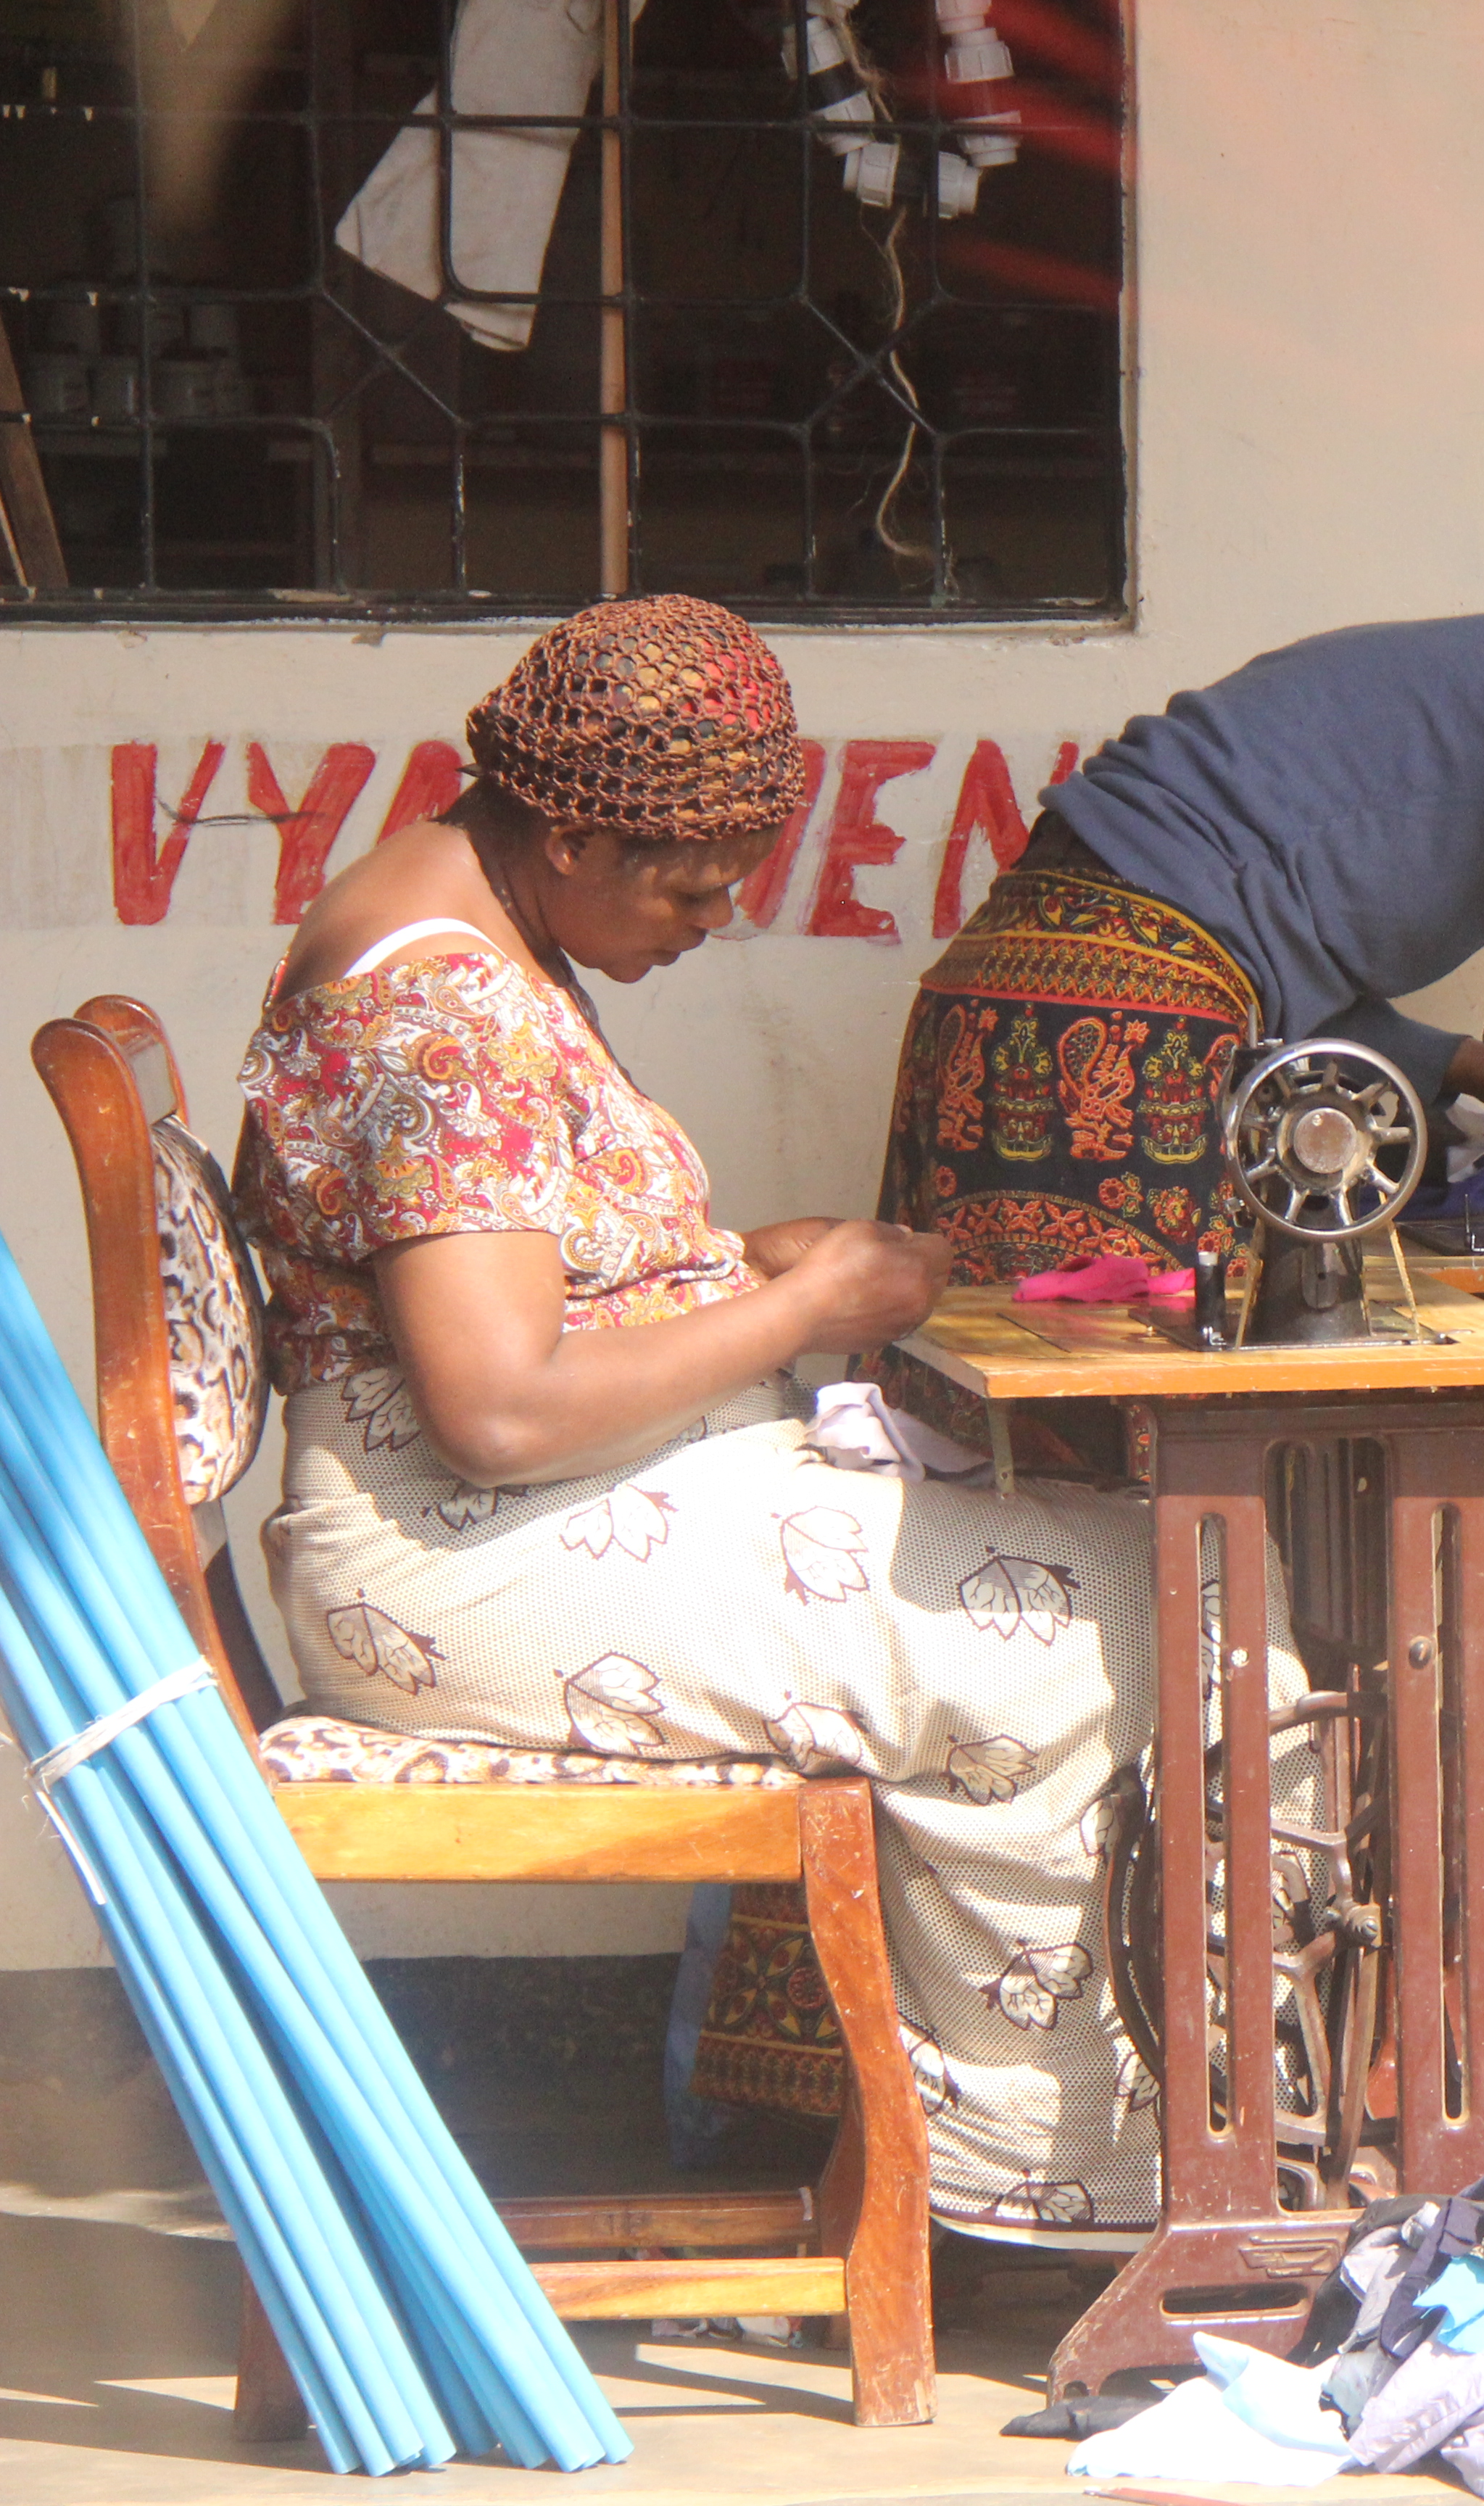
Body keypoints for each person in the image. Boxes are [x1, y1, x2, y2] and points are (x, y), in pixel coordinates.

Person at [234, 595, 1231, 2235]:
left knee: (1135, 1552)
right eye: (689, 885)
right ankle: (1055, 2184)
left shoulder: (474, 926)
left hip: (529, 1522)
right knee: (1096, 1620)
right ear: (568, 834)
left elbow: (524, 1272)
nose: (714, 918)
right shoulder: (440, 1016)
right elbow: (494, 1405)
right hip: (467, 1568)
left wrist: (729, 1262)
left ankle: (1092, 2140)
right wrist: (798, 1312)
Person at [875, 613, 1484, 1289]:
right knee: (1123, 1416)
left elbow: (1289, 988)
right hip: (1122, 1020)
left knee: (990, 1384)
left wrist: (1470, 1068)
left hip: (1028, 990)